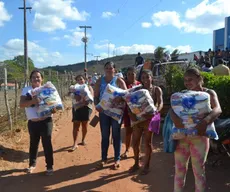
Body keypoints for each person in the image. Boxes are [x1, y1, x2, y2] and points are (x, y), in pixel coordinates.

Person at [170, 68, 222, 192]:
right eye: (185, 80)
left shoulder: (208, 93)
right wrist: (175, 119)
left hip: (200, 138)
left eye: (190, 79)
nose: (187, 83)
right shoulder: (182, 94)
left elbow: (218, 109)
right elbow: (172, 109)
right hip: (181, 138)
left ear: (199, 79)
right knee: (179, 170)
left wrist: (205, 122)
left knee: (199, 171)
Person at [20, 70, 55, 176]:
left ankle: (49, 166)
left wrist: (53, 108)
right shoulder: (26, 90)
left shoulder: (47, 89)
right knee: (33, 144)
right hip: (33, 122)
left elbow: (53, 104)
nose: (36, 79)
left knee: (47, 143)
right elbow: (22, 104)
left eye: (38, 77)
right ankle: (32, 164)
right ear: (30, 79)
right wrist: (33, 101)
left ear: (42, 79)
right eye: (34, 77)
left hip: (46, 121)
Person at [129, 69, 163, 175]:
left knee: (148, 143)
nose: (145, 79)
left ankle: (146, 165)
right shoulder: (137, 90)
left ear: (151, 77)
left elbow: (160, 102)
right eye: (143, 78)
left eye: (147, 77)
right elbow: (131, 103)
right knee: (135, 142)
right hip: (138, 120)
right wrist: (132, 115)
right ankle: (136, 163)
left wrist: (155, 111)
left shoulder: (157, 89)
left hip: (150, 119)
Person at [94, 61, 127, 169]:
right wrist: (97, 106)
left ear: (114, 70)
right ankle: (104, 158)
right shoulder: (99, 81)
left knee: (116, 135)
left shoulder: (119, 81)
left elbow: (127, 94)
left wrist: (120, 98)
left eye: (111, 68)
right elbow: (96, 96)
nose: (109, 70)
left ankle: (117, 159)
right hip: (104, 113)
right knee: (105, 136)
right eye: (107, 68)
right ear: (104, 69)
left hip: (116, 113)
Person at [121, 67, 141, 159]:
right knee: (128, 131)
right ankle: (127, 149)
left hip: (138, 112)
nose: (130, 76)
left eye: (132, 74)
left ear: (135, 74)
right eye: (129, 74)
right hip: (127, 112)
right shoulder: (124, 85)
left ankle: (137, 150)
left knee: (138, 132)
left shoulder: (139, 84)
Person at [70, 75, 94, 151]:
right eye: (78, 80)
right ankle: (75, 143)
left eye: (81, 79)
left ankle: (83, 140)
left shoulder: (89, 88)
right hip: (76, 108)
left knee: (84, 125)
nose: (80, 81)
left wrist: (86, 100)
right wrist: (74, 96)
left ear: (84, 80)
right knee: (76, 125)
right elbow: (70, 95)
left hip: (86, 108)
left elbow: (92, 98)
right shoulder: (74, 88)